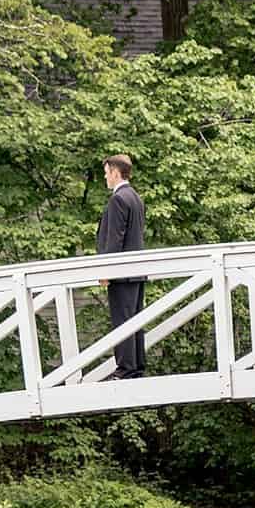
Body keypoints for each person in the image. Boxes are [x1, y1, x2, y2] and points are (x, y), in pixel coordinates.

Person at [97, 153, 148, 379]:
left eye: (107, 173)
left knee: (123, 320)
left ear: (116, 173)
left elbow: (115, 239)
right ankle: (136, 365)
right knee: (135, 318)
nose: (105, 178)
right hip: (136, 270)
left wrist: (107, 271)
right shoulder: (136, 197)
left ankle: (126, 369)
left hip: (123, 272)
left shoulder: (118, 199)